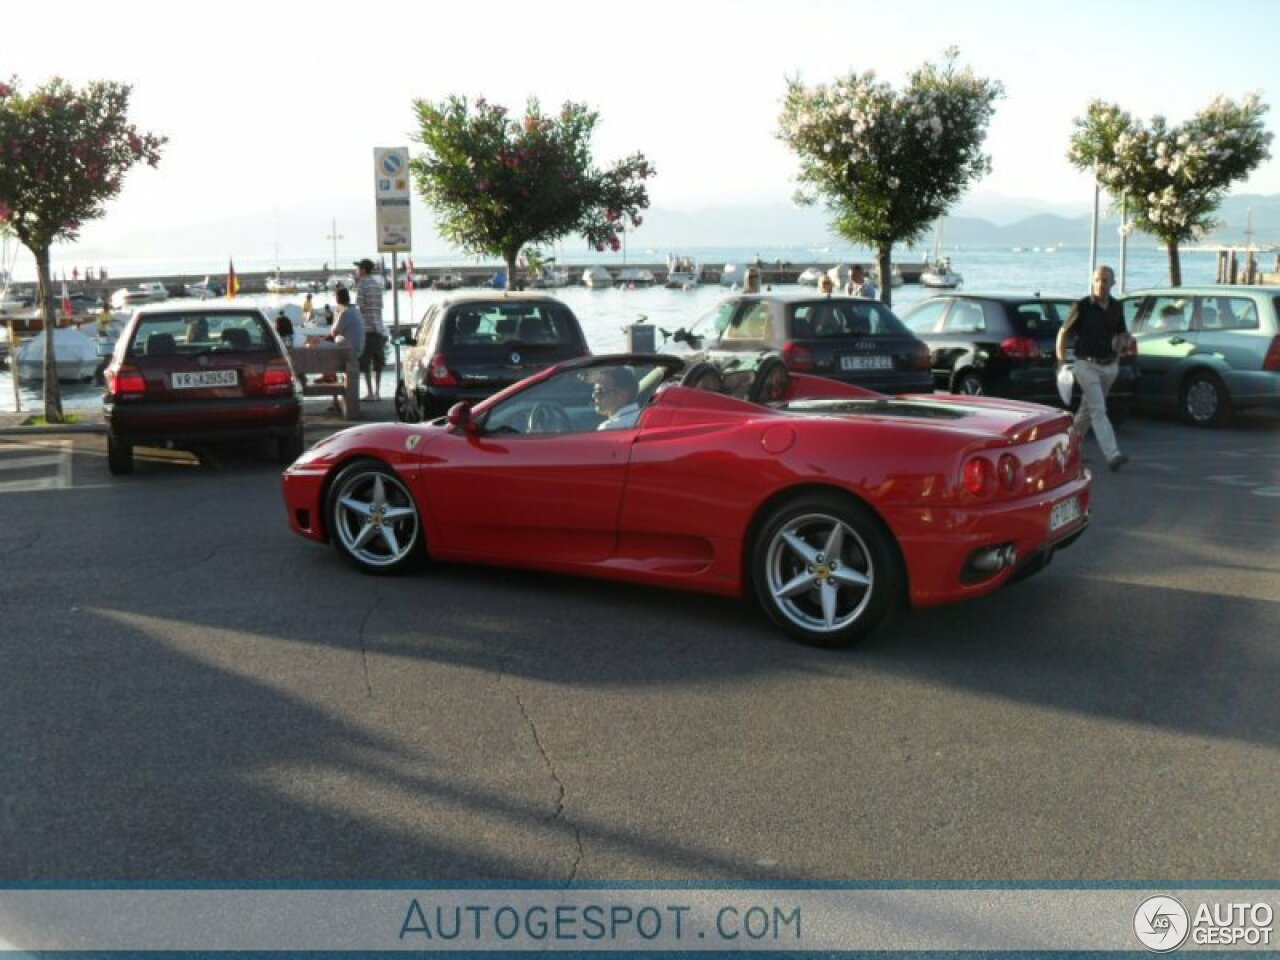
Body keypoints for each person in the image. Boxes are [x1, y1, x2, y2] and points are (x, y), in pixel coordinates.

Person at [1057, 264, 1129, 472]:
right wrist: (1061, 362)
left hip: (1108, 366)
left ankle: (1065, 449)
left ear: (1112, 283)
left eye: (1105, 281)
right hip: (1085, 365)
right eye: (1097, 280)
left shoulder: (1117, 307)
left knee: (1086, 413)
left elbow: (1121, 333)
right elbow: (1063, 333)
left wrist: (1118, 354)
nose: (1100, 285)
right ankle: (1113, 454)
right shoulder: (1082, 306)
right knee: (1099, 410)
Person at [354, 258, 386, 401]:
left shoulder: (361, 285)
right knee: (378, 362)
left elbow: (360, 307)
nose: (357, 271)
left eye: (358, 268)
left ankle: (370, 392)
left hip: (366, 329)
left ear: (363, 270)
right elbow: (380, 307)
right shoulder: (377, 284)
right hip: (378, 327)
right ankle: (378, 392)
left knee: (365, 362)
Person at [329, 286, 366, 411]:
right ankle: (337, 399)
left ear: (337, 299)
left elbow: (334, 331)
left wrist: (336, 315)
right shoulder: (355, 311)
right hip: (358, 350)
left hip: (349, 352)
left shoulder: (344, 313)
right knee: (334, 365)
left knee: (329, 363)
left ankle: (335, 401)